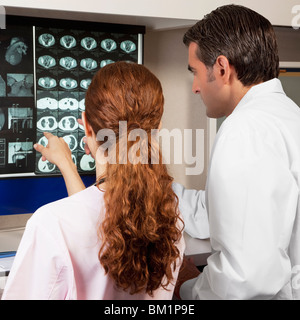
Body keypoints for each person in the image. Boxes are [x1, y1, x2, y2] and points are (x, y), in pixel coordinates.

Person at [2, 61, 185, 300]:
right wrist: (67, 165)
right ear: (158, 128)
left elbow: (86, 220)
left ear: (86, 124)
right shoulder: (169, 218)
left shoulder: (50, 225)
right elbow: (97, 212)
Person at [175, 4, 300, 299]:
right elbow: (230, 210)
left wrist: (186, 290)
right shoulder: (286, 114)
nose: (194, 87)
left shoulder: (246, 129)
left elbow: (244, 278)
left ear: (221, 68)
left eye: (195, 72)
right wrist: (159, 190)